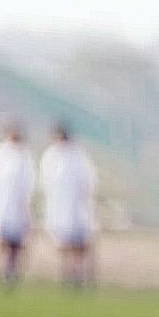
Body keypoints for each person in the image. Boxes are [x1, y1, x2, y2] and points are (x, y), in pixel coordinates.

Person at [39, 121, 98, 287]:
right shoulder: (51, 156)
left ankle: (79, 274)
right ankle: (66, 274)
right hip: (59, 207)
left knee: (80, 245)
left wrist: (87, 204)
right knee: (62, 244)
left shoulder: (77, 155)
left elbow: (88, 182)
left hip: (78, 207)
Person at [0, 115, 34, 286]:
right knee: (3, 241)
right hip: (1, 205)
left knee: (16, 244)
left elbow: (28, 183)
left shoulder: (24, 155)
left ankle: (12, 271)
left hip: (19, 206)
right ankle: (5, 270)